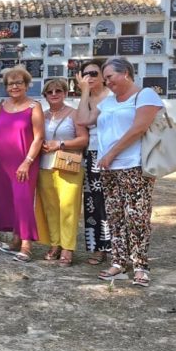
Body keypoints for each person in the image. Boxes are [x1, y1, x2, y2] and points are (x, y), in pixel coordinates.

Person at [75, 57, 162, 287]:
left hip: (134, 165)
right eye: (105, 79)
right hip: (109, 168)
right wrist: (85, 90)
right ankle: (119, 262)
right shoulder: (108, 102)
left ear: (125, 73)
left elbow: (138, 129)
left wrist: (111, 153)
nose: (107, 82)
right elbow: (82, 119)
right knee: (114, 216)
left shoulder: (145, 95)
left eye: (110, 77)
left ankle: (141, 266)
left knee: (137, 217)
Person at [0, 66, 44, 263]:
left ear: (26, 85)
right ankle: (16, 240)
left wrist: (27, 162)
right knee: (9, 200)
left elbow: (39, 137)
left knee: (23, 200)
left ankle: (27, 245)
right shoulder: (1, 105)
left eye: (19, 83)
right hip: (2, 162)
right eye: (11, 83)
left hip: (24, 162)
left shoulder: (34, 107)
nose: (15, 86)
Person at [37, 78, 88, 267]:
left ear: (65, 93)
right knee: (50, 208)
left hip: (69, 165)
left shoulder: (74, 114)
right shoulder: (41, 115)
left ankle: (68, 248)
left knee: (68, 208)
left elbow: (83, 139)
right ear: (45, 96)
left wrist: (60, 144)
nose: (54, 94)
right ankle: (54, 244)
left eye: (58, 90)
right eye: (49, 92)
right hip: (45, 166)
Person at [74, 60, 112, 265]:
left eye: (94, 73)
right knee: (93, 203)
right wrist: (84, 92)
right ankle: (98, 248)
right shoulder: (86, 99)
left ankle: (119, 247)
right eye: (86, 74)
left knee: (114, 202)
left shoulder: (113, 97)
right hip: (93, 154)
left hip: (115, 153)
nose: (90, 77)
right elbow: (81, 121)